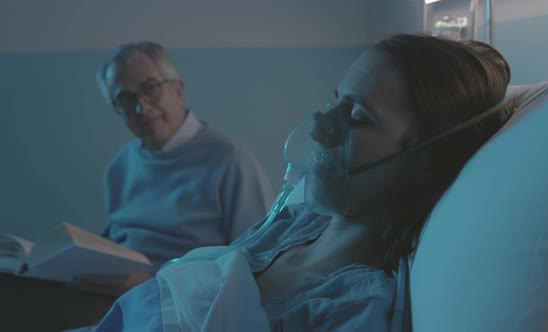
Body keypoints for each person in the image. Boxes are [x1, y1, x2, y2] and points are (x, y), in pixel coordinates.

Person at [91, 34, 516, 331]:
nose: (319, 126)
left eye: (357, 116)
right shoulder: (297, 220)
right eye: (335, 100)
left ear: (421, 161)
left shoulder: (351, 309)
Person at [90, 41, 275, 295]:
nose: (141, 107)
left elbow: (260, 265)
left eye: (150, 88)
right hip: (117, 299)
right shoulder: (120, 166)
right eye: (125, 98)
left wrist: (154, 287)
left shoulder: (230, 160)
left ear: (178, 89)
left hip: (188, 310)